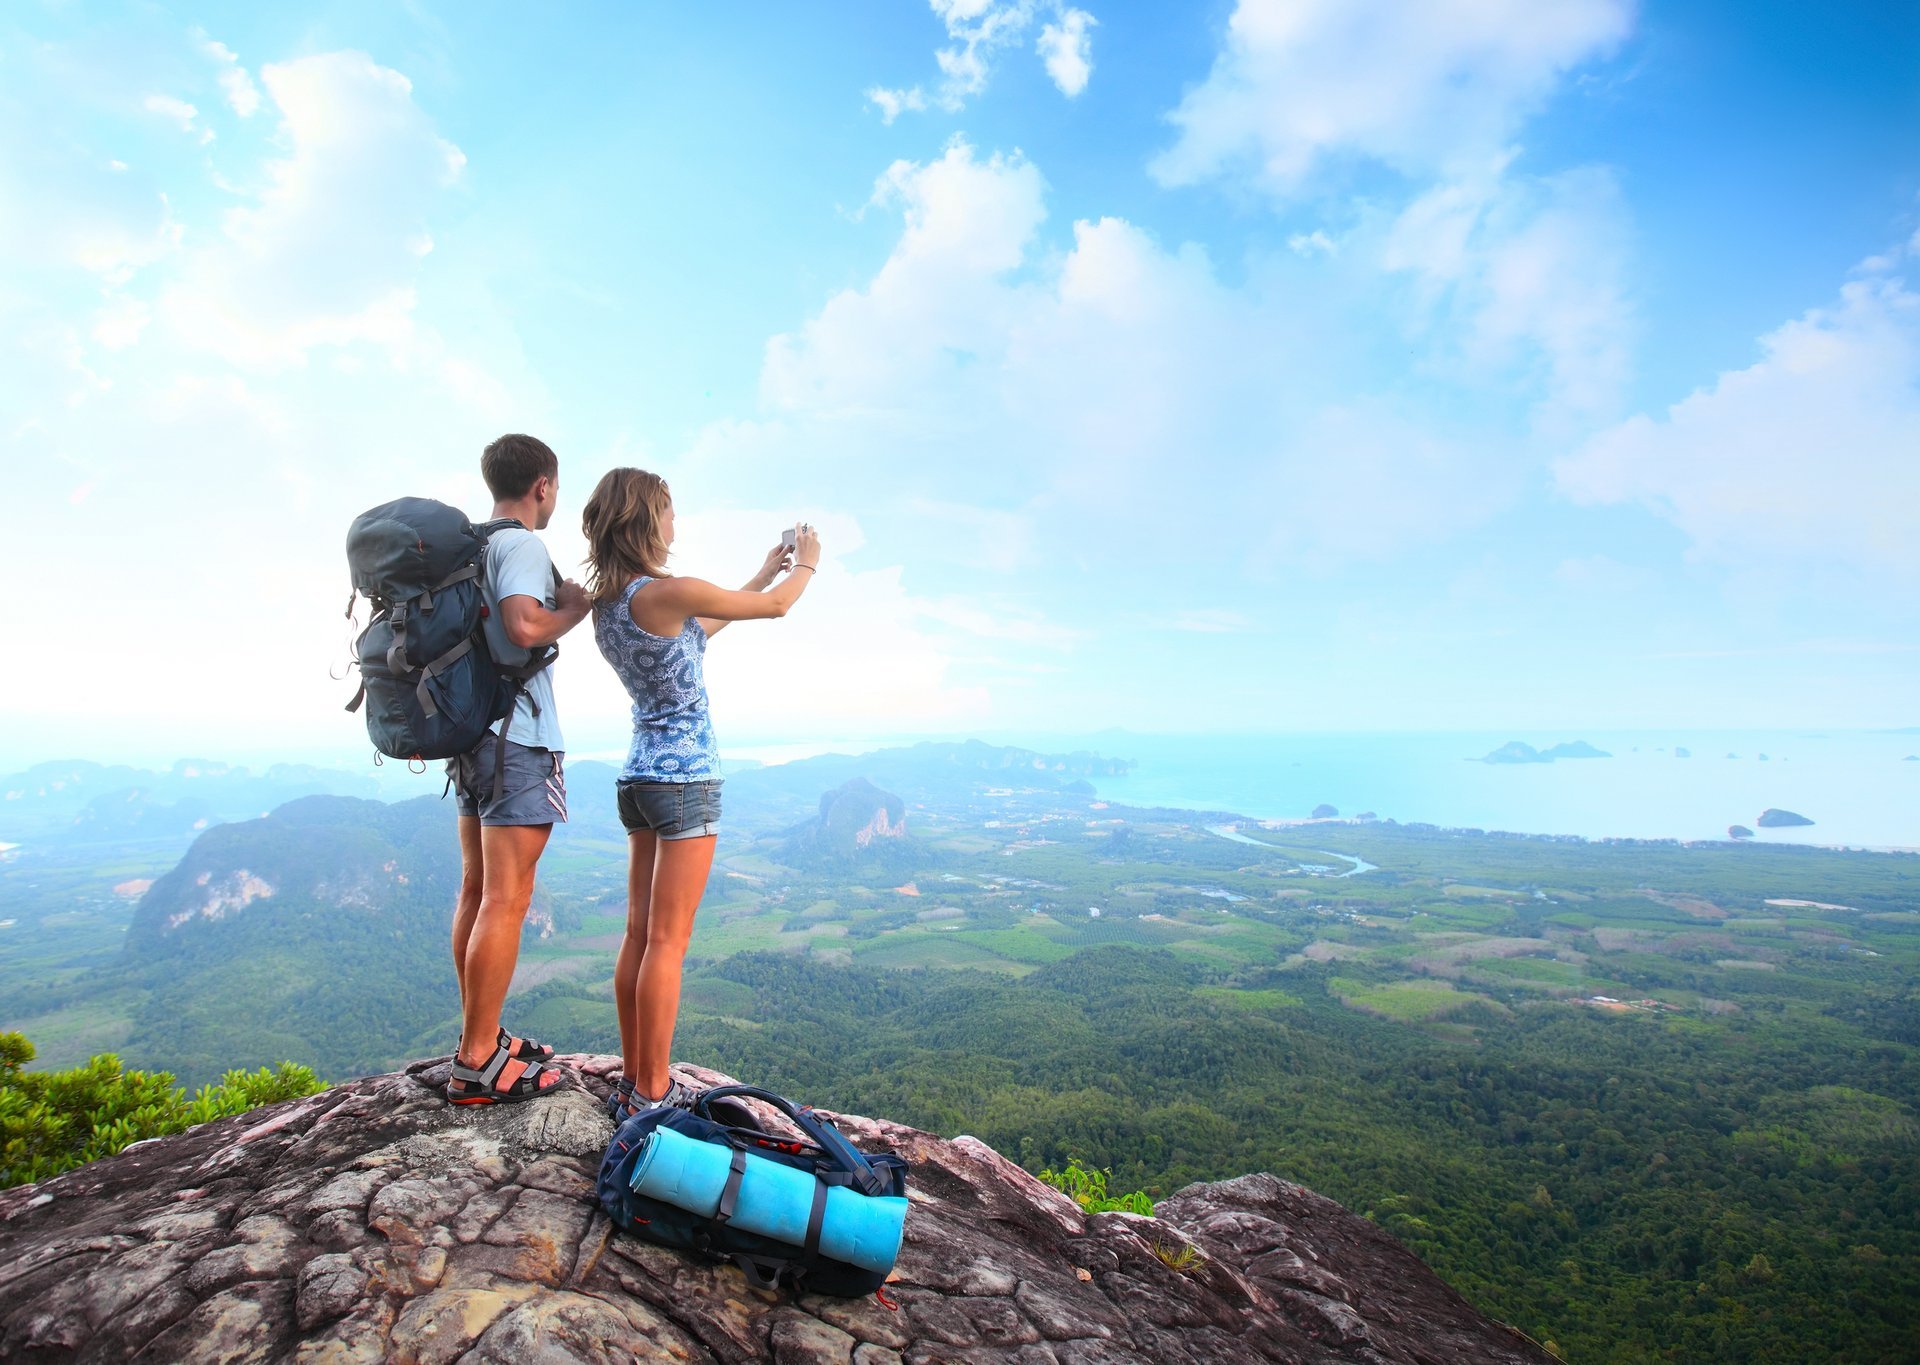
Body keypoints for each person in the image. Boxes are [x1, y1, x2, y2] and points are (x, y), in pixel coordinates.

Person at [581, 468, 820, 1115]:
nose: (673, 523)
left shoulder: (610, 604)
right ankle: (653, 1091)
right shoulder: (668, 590)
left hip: (638, 779)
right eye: (668, 510)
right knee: (667, 942)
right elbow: (775, 611)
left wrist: (766, 570)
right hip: (685, 780)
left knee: (637, 934)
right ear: (645, 519)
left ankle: (635, 1078)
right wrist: (807, 567)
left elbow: (700, 630)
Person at [446, 434, 593, 1105]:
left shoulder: (471, 543)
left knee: (478, 890)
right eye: (555, 488)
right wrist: (574, 609)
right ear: (543, 485)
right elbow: (525, 625)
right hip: (518, 739)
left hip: (473, 736)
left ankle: (484, 1033)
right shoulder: (522, 545)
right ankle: (478, 1058)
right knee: (508, 897)